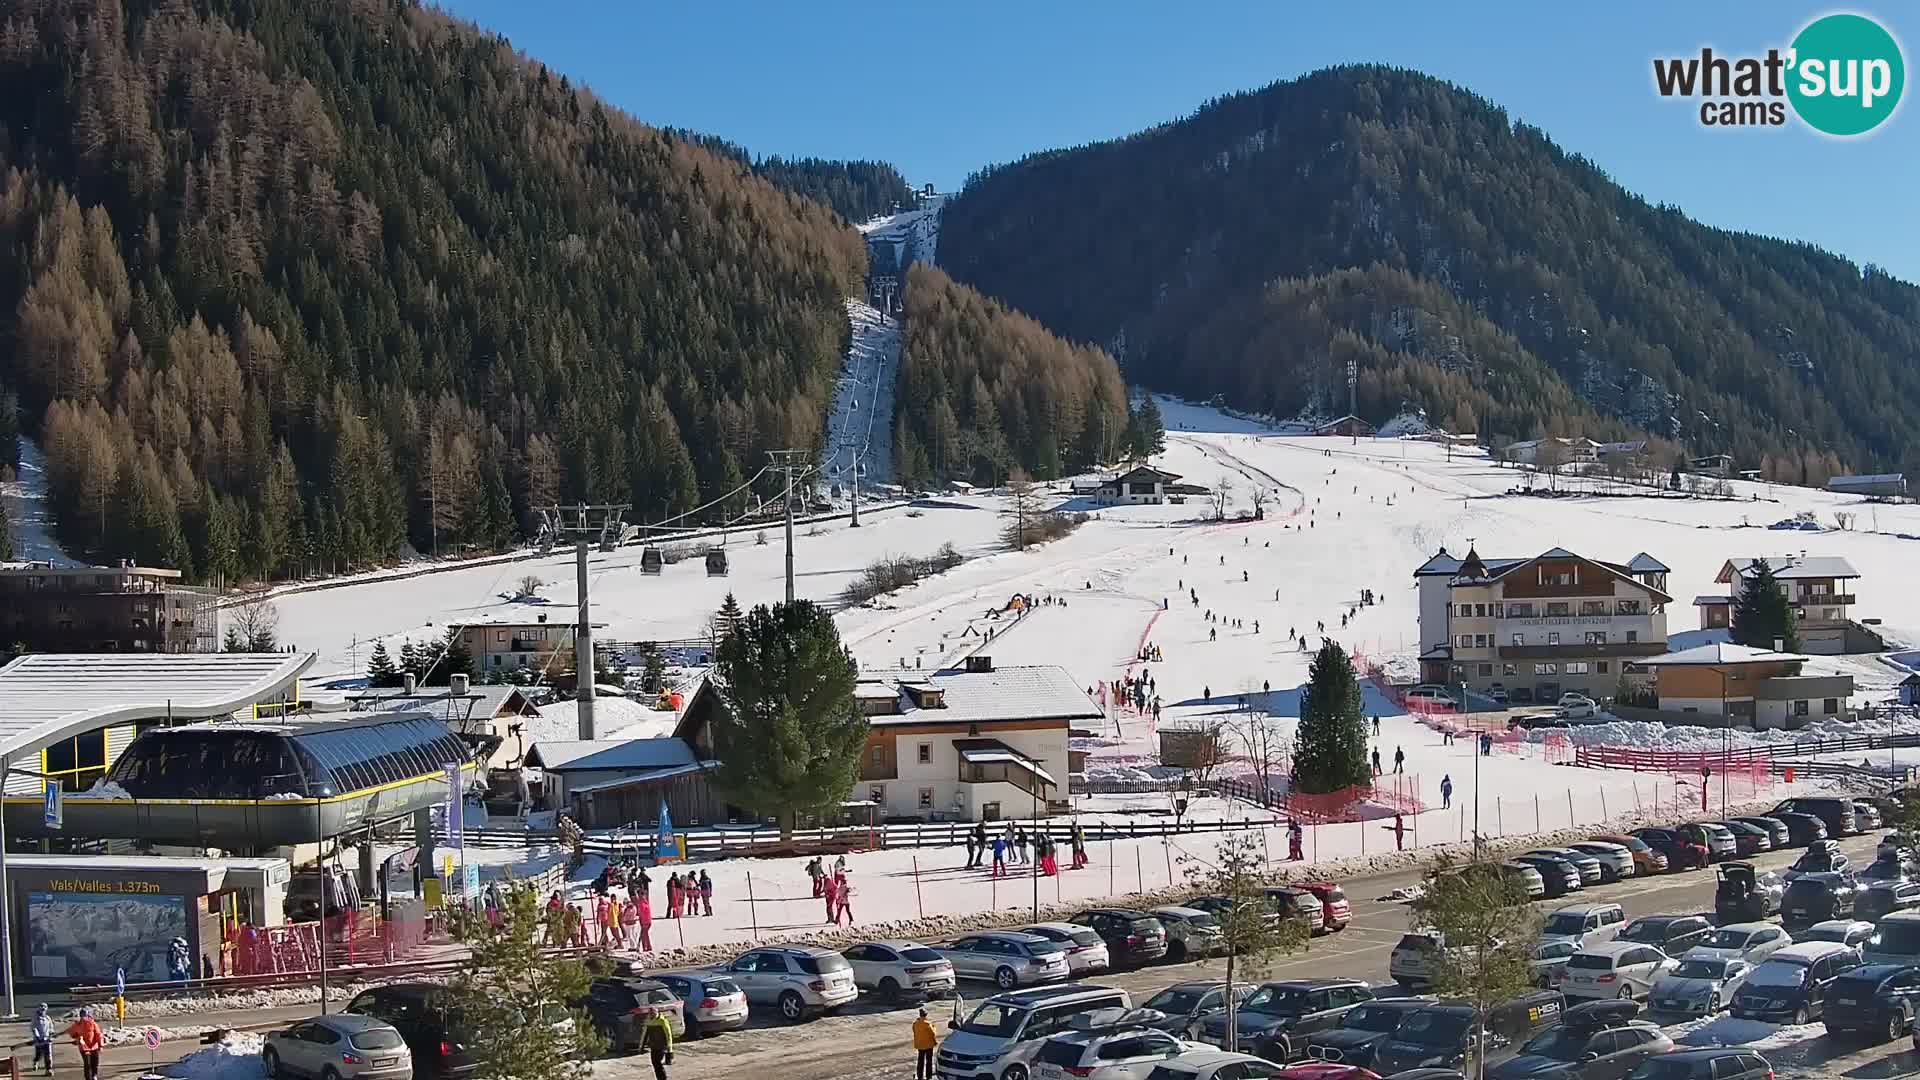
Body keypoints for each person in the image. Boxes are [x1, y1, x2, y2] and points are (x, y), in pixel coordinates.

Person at [66, 1007, 103, 1080]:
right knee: (87, 1063)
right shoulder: (78, 1024)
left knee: (95, 1062)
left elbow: (98, 1034)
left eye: (85, 1015)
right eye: (82, 1016)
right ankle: (88, 1077)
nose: (84, 1018)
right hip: (84, 1047)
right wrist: (76, 1037)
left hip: (94, 1046)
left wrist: (100, 1045)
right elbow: (72, 1032)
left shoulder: (93, 1023)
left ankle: (94, 1075)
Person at [640, 1006, 675, 1080]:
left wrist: (670, 1050)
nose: (651, 1015)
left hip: (662, 1046)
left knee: (657, 1062)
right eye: (650, 1013)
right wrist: (641, 1047)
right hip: (653, 1046)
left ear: (656, 1012)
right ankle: (660, 1078)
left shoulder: (662, 1021)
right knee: (655, 1063)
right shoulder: (648, 1021)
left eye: (653, 1013)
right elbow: (644, 1034)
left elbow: (668, 1035)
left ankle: (663, 1078)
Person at [912, 1008, 939, 1080]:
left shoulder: (915, 1024)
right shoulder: (927, 1024)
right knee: (929, 1061)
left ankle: (920, 1076)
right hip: (929, 1045)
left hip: (920, 1045)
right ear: (926, 1015)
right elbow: (933, 1033)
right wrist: (934, 1027)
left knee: (920, 1061)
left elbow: (914, 1032)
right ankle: (928, 1076)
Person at [30, 1003, 53, 1076]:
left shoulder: (48, 1018)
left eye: (44, 1009)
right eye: (41, 1009)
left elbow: (51, 1027)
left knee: (48, 1055)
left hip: (47, 1040)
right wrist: (37, 1037)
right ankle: (35, 1062)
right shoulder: (36, 1018)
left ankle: (48, 1069)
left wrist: (51, 1035)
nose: (43, 1010)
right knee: (39, 1054)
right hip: (39, 1040)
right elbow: (34, 1028)